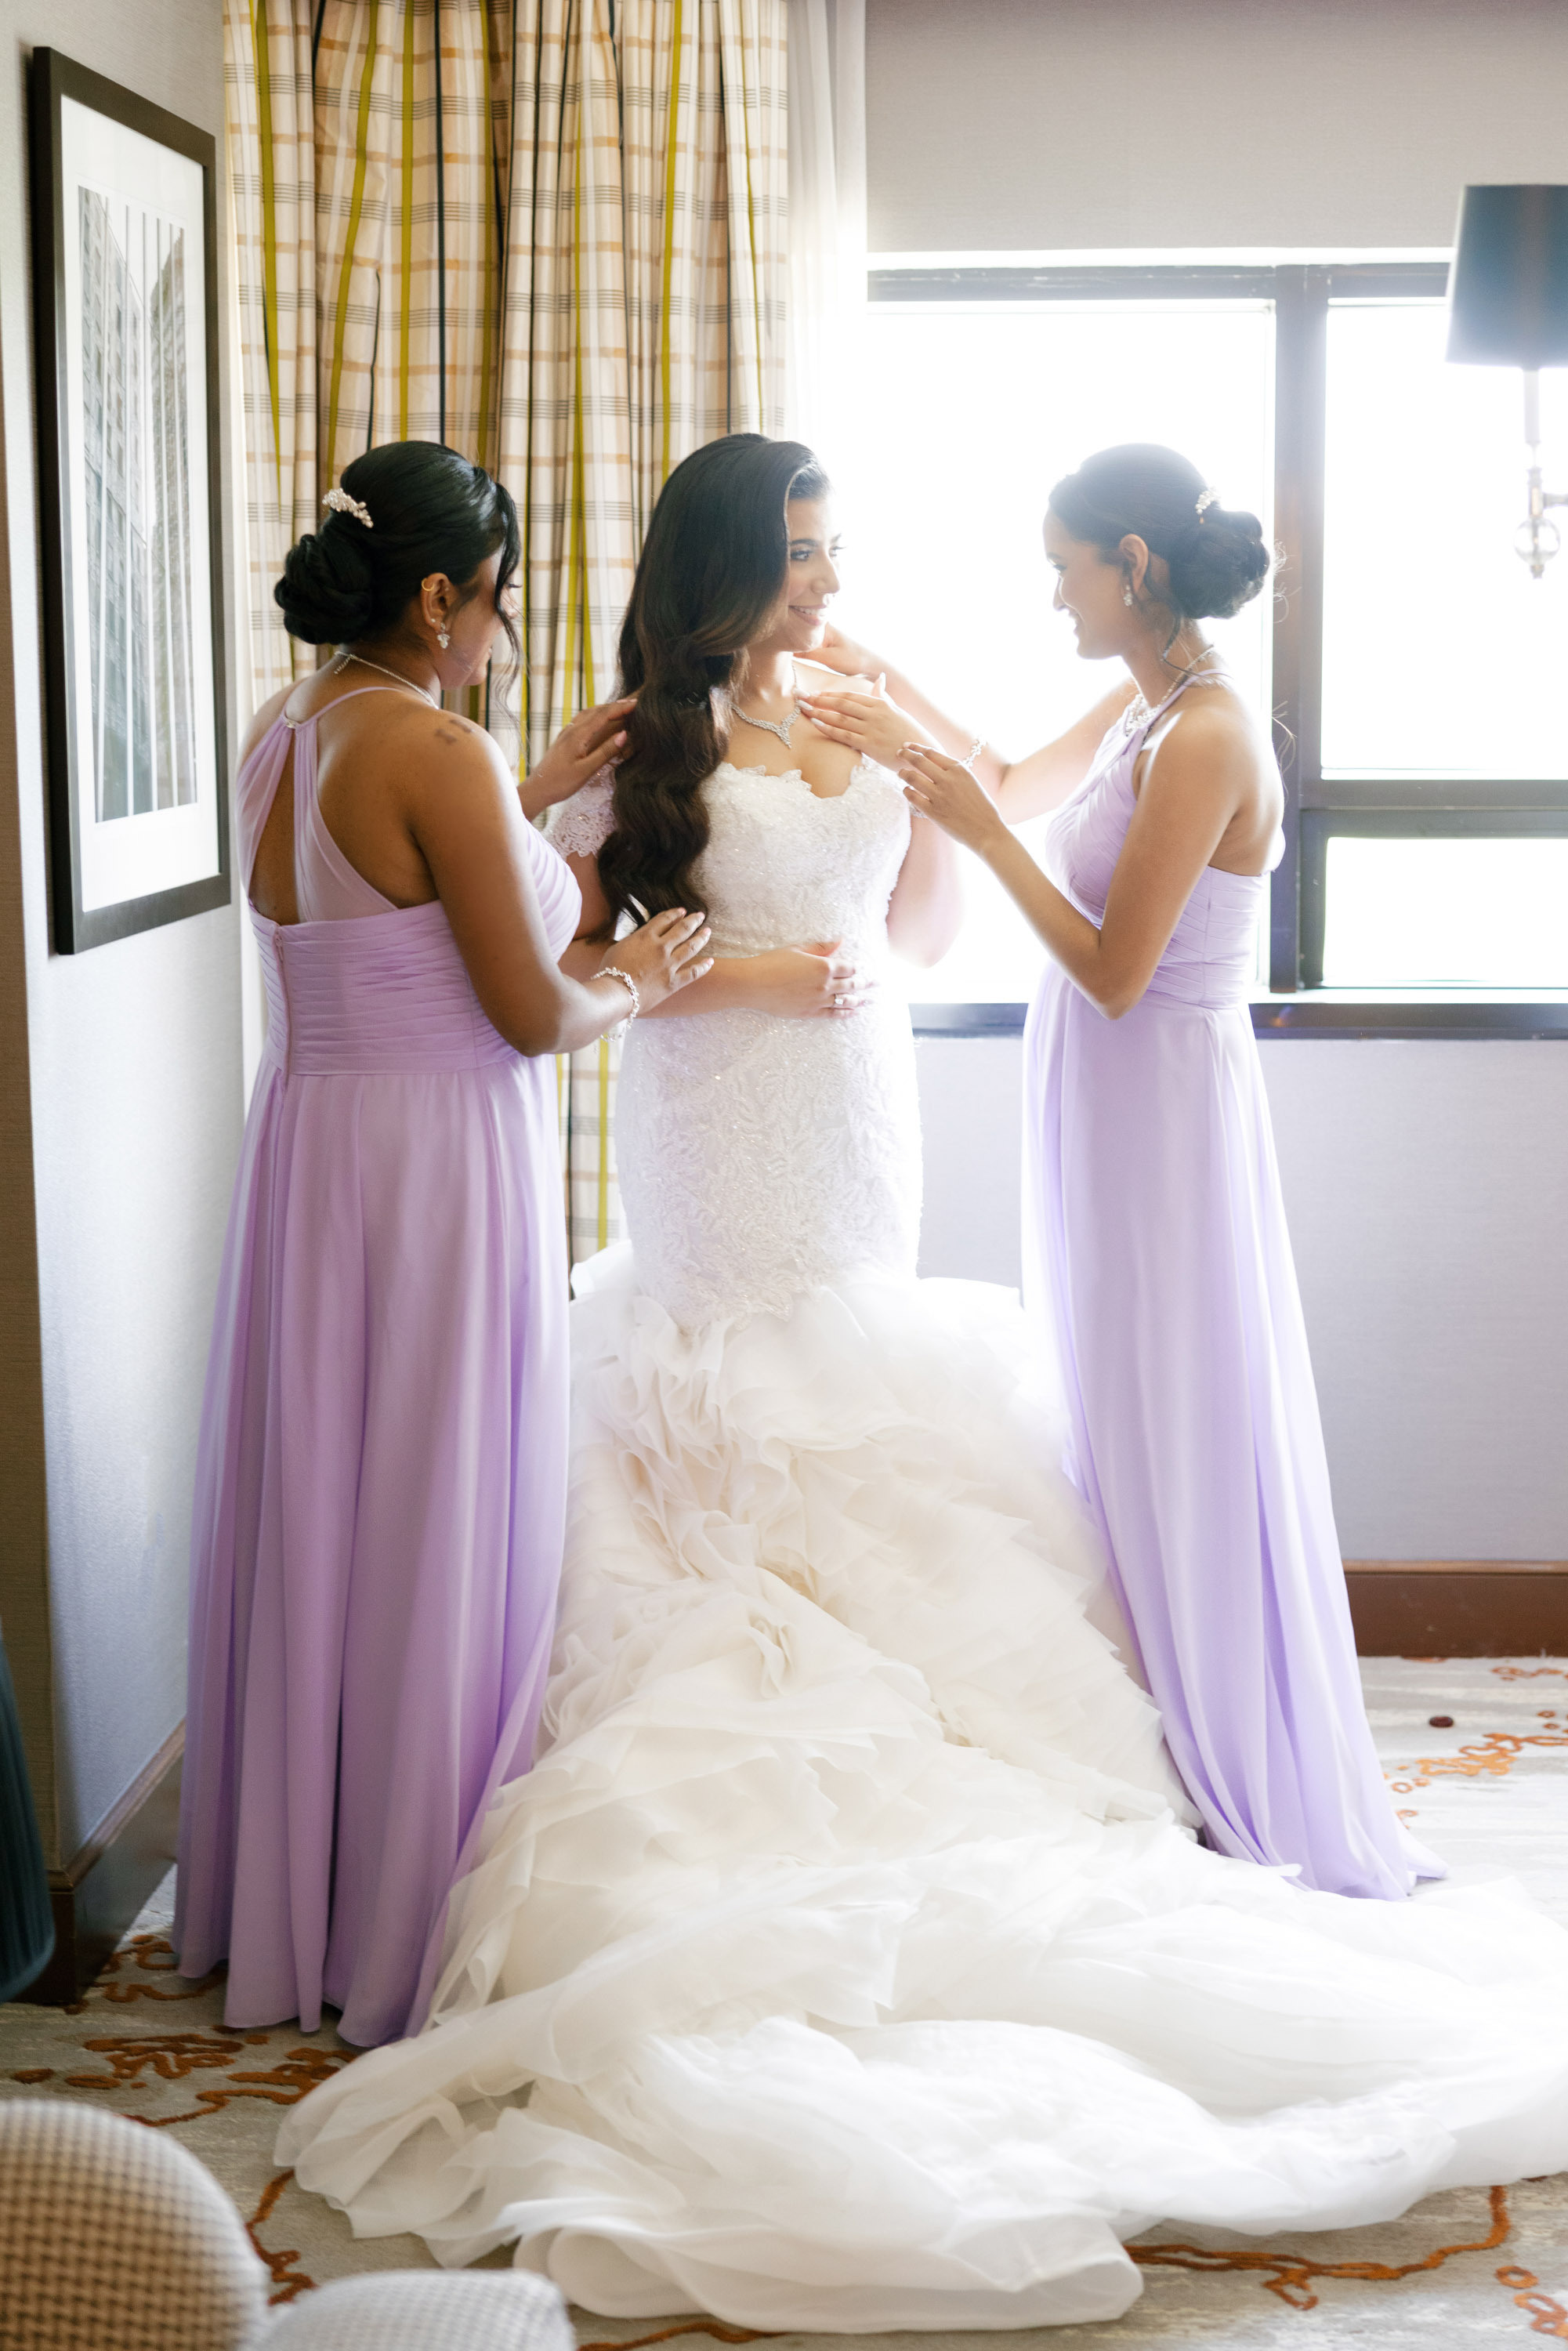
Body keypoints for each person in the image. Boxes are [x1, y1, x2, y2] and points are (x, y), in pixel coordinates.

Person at [277, 435, 1568, 2331]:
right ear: (723, 566)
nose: (822, 583)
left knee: (902, 1433)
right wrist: (755, 980)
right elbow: (570, 955)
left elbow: (966, 858)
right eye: (798, 557)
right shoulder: (633, 727)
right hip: (722, 1141)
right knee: (723, 1447)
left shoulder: (856, 698)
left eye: (831, 550)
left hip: (856, 1132)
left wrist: (932, 807)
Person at [174, 440, 710, 2048]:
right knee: (430, 1507)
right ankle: (409, 1901)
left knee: (329, 1509)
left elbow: (382, 901)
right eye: (491, 606)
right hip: (433, 1163)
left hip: (314, 1150)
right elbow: (532, 1011)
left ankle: (302, 1894)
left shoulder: (288, 730)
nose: (494, 636)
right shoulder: (436, 750)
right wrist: (648, 978)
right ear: (433, 597)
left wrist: (524, 796)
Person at [858, 442, 1432, 1903]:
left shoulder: (1208, 737)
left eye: (1063, 571)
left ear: (1134, 567)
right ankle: (1145, 1718)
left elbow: (1118, 969)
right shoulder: (1143, 700)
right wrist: (878, 682)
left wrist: (982, 842)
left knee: (1173, 1402)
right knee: (1109, 1405)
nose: (1051, 598)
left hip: (1160, 1103)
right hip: (1100, 1102)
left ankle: (1225, 1739)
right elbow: (998, 771)